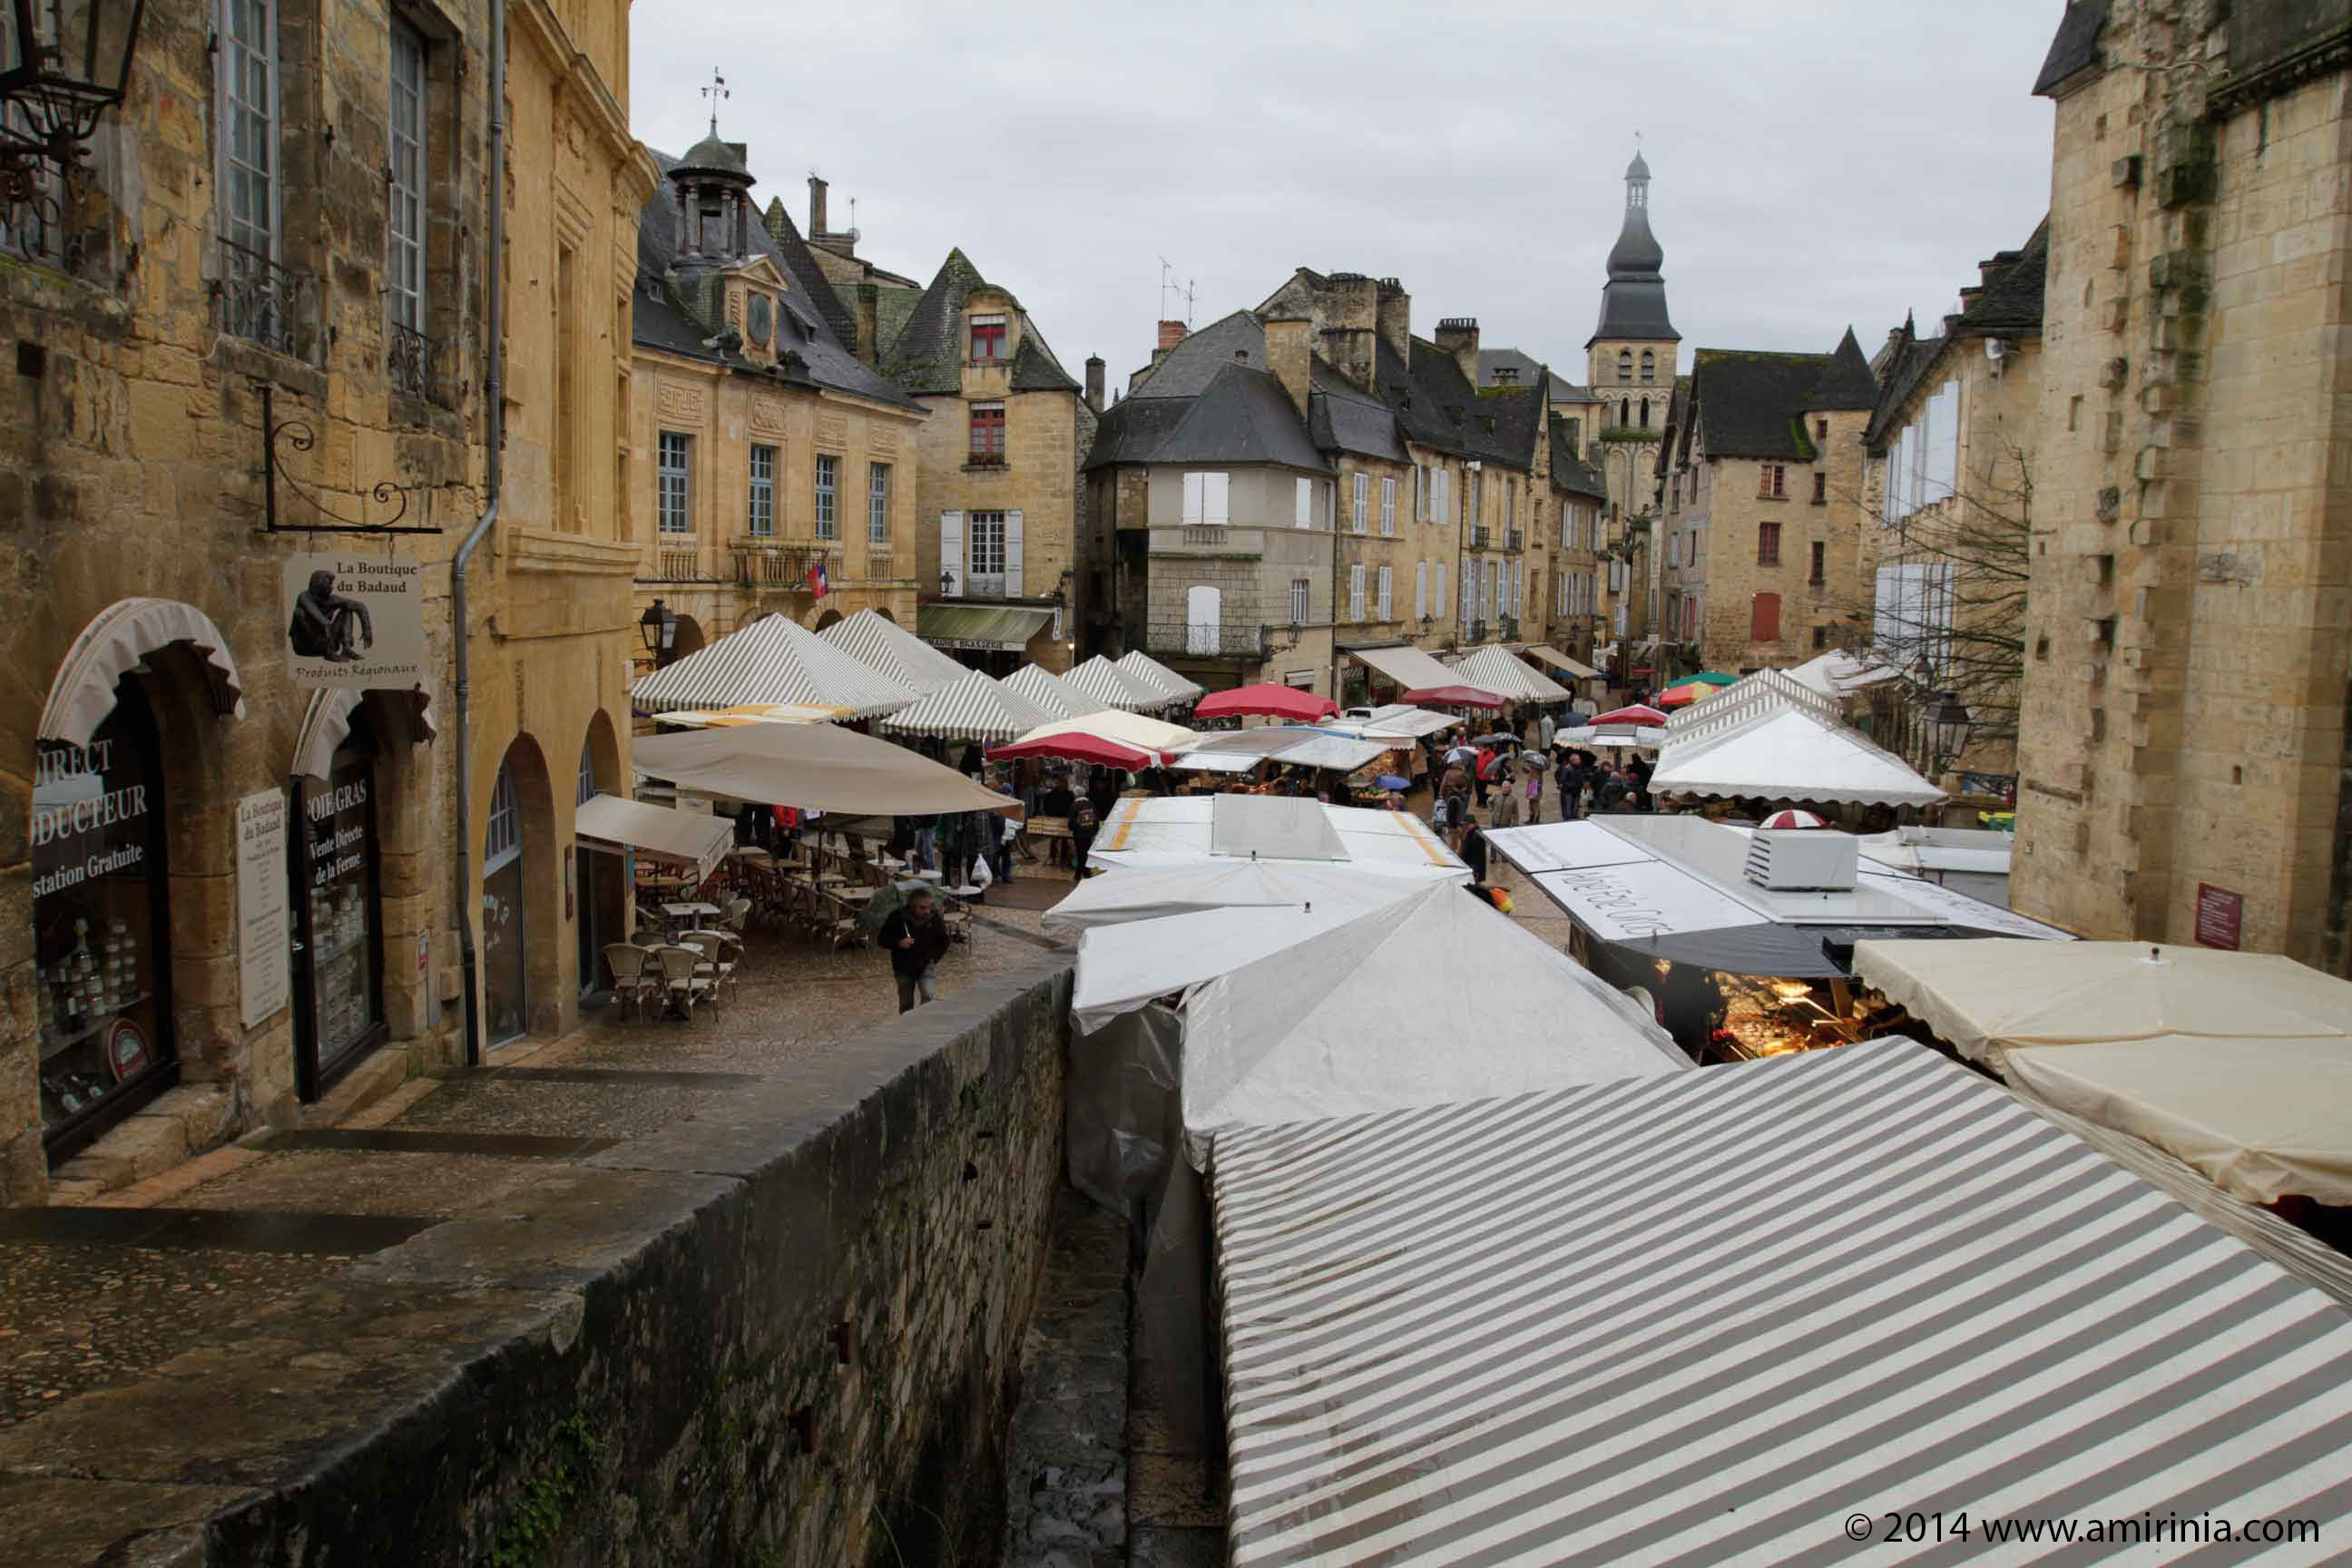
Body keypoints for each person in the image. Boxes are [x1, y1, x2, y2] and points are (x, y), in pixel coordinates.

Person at [877, 887, 951, 1013]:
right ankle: (907, 1028)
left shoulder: (934, 918)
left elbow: (944, 942)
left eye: (929, 907)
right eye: (922, 908)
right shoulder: (897, 917)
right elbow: (882, 939)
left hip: (926, 964)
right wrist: (898, 943)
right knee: (906, 1003)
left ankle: (925, 1024)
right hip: (903, 967)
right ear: (912, 907)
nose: (927, 911)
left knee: (928, 996)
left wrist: (933, 958)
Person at [287, 568, 375, 662]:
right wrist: (326, 626)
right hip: (305, 645)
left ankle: (347, 648)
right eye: (329, 583)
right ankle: (328, 653)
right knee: (299, 613)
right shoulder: (304, 596)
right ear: (318, 584)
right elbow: (318, 616)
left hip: (325, 640)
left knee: (347, 609)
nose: (331, 587)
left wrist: (367, 629)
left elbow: (359, 606)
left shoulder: (332, 599)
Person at [1068, 790, 1101, 882]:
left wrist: (1072, 828)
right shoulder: (1091, 804)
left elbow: (1071, 822)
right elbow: (1096, 818)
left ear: (1075, 795)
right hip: (1089, 833)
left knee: (1080, 853)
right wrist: (1094, 831)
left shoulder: (1074, 805)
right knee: (1085, 853)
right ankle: (1086, 872)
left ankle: (1079, 874)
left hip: (1079, 833)